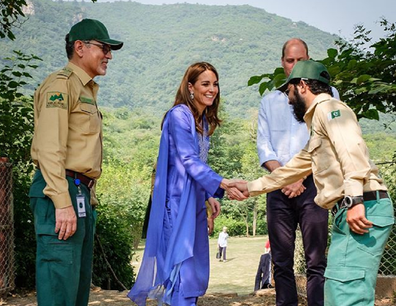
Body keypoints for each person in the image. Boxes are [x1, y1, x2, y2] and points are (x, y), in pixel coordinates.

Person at [231, 60, 395, 306]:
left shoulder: (330, 110)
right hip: (349, 210)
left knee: (347, 294)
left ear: (303, 86)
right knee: (338, 291)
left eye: (289, 91)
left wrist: (354, 200)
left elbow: (352, 152)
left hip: (362, 208)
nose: (288, 99)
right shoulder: (319, 123)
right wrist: (251, 187)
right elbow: (293, 169)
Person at [128, 62, 246, 306]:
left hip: (195, 203)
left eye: (215, 84)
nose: (212, 89)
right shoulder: (179, 115)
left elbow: (195, 167)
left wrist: (209, 196)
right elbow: (188, 160)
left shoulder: (201, 121)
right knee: (180, 272)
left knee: (194, 273)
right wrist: (222, 183)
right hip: (177, 204)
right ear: (190, 87)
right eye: (205, 84)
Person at [29, 19, 123, 306]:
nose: (109, 55)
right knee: (59, 288)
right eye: (104, 48)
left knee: (77, 289)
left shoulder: (87, 90)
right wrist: (62, 201)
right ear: (80, 48)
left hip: (79, 192)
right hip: (58, 191)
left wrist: (83, 195)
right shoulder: (61, 85)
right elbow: (49, 148)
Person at [256, 38, 340, 306]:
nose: (294, 65)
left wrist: (298, 176)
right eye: (289, 60)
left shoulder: (329, 95)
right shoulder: (269, 100)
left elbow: (324, 142)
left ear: (308, 60)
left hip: (314, 186)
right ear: (282, 63)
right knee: (281, 261)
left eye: (299, 59)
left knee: (317, 260)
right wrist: (284, 178)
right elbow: (264, 146)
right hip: (278, 190)